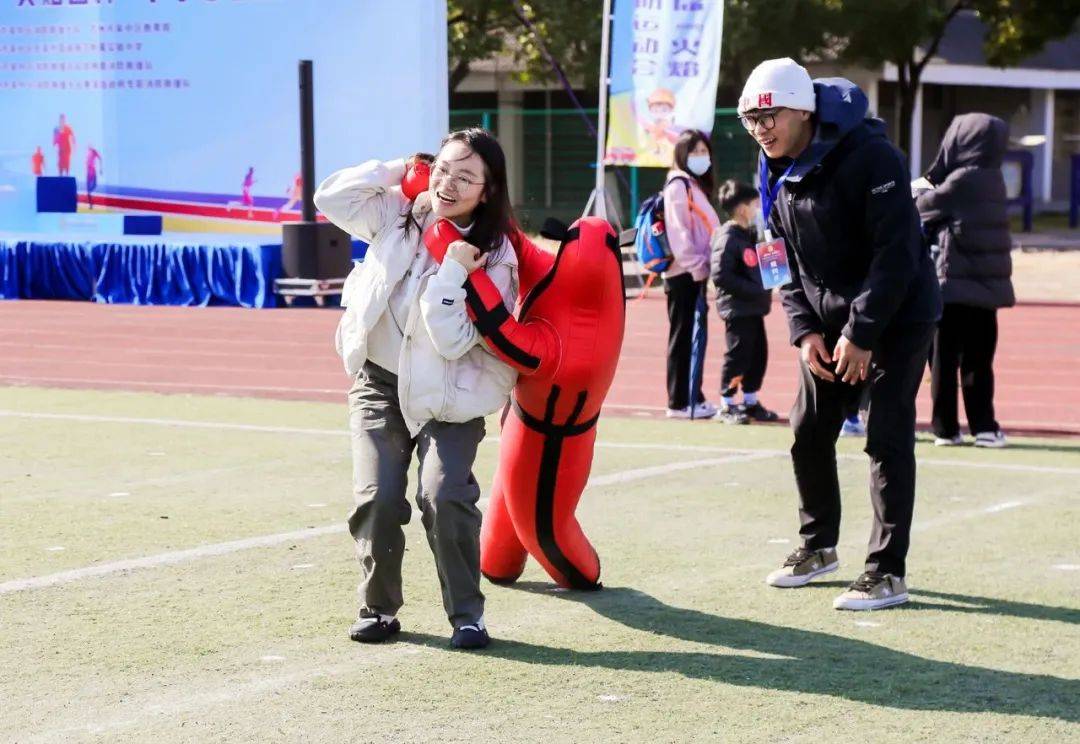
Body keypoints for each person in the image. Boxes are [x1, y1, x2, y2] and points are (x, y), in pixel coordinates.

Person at [738, 58, 941, 610]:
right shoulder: (769, 166)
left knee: (886, 436)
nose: (760, 129)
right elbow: (776, 261)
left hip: (897, 317)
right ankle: (817, 545)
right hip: (828, 324)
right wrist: (805, 333)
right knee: (807, 430)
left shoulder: (872, 155)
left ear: (803, 110)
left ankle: (886, 571)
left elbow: (896, 254)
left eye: (769, 116)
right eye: (750, 120)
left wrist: (863, 331)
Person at [313, 128, 520, 650]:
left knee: (444, 496)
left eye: (466, 177)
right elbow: (329, 198)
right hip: (379, 382)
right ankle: (379, 609)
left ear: (488, 191)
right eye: (444, 168)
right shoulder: (400, 211)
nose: (449, 184)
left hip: (448, 395)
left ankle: (467, 616)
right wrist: (396, 171)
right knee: (379, 498)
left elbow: (452, 343)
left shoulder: (495, 257)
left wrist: (452, 272)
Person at [916, 113, 1014, 449]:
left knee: (943, 361)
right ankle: (984, 426)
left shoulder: (960, 181)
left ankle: (945, 428)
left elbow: (921, 207)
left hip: (953, 288)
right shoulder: (994, 178)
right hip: (986, 291)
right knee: (979, 361)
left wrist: (924, 182)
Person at [663, 129, 721, 420]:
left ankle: (692, 396)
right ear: (682, 156)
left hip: (694, 272)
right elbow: (679, 234)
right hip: (684, 273)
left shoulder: (692, 185)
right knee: (683, 336)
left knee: (691, 336)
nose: (702, 157)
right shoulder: (678, 186)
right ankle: (678, 402)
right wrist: (697, 267)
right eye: (695, 152)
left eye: (704, 151)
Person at [709, 179, 778, 425]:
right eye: (754, 204)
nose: (758, 209)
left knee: (758, 354)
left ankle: (750, 400)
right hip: (738, 309)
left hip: (754, 308)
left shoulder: (748, 234)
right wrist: (753, 289)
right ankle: (727, 403)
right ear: (741, 208)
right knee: (738, 355)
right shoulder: (727, 236)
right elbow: (721, 274)